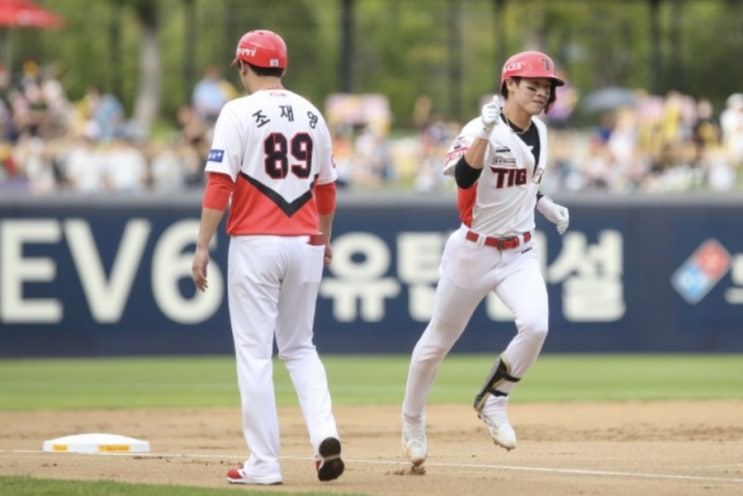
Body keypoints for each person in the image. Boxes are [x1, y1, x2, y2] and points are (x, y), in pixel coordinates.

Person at [401, 50, 570, 468]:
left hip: (519, 251)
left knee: (536, 325)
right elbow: (462, 178)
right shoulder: (481, 127)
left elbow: (525, 184)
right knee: (436, 344)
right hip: (473, 251)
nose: (541, 94)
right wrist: (483, 135)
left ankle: (494, 399)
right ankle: (412, 420)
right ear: (508, 85)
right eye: (532, 86)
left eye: (546, 88)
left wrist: (545, 204)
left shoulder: (542, 131)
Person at [190, 29, 344, 486]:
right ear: (283, 67)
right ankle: (325, 436)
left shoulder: (236, 111)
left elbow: (220, 183)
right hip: (305, 242)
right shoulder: (313, 113)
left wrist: (202, 245)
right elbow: (327, 187)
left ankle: (264, 463)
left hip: (256, 244)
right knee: (300, 347)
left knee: (255, 354)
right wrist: (324, 236)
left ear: (243, 66)